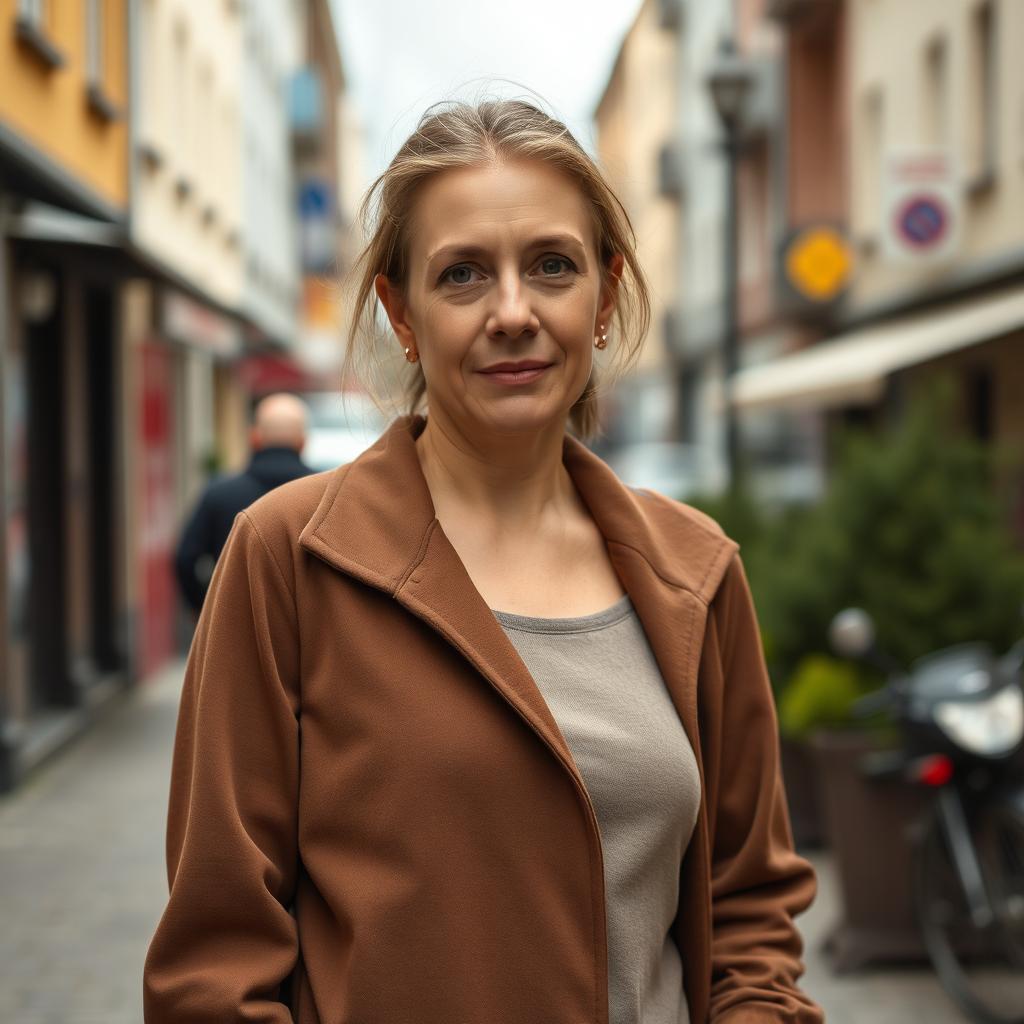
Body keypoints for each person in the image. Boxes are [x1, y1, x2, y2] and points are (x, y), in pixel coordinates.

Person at [144, 99, 824, 1023]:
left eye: (552, 266)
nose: (513, 313)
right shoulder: (290, 559)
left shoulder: (694, 574)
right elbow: (215, 969)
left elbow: (746, 915)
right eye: (462, 275)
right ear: (402, 312)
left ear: (605, 296)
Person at [173, 392, 314, 612]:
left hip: (235, 624)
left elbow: (185, 559)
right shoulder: (327, 496)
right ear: (303, 442)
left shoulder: (219, 493)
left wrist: (207, 611)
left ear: (254, 438)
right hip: (309, 632)